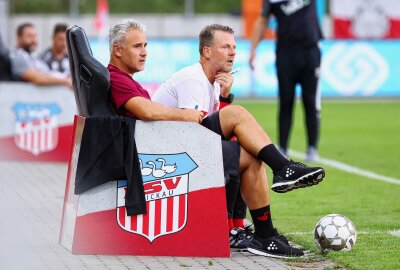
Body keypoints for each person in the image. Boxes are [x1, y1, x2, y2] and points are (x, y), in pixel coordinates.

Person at [107, 19, 326, 258]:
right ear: (207, 51)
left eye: (146, 45)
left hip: (170, 144)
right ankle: (281, 175)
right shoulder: (183, 79)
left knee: (247, 148)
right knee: (238, 122)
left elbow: (211, 126)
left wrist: (223, 96)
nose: (145, 52)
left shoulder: (202, 81)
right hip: (164, 154)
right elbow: (160, 116)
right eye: (137, 46)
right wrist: (187, 113)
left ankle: (254, 228)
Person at [249, 0, 323, 162]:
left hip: (310, 52)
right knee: (285, 101)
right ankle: (283, 148)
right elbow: (262, 21)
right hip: (286, 55)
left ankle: (312, 148)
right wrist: (253, 49)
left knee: (310, 102)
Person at [10, 23, 72, 87]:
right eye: (29, 36)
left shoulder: (31, 57)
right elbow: (38, 79)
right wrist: (66, 81)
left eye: (35, 36)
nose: (33, 40)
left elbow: (49, 74)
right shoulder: (18, 56)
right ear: (19, 38)